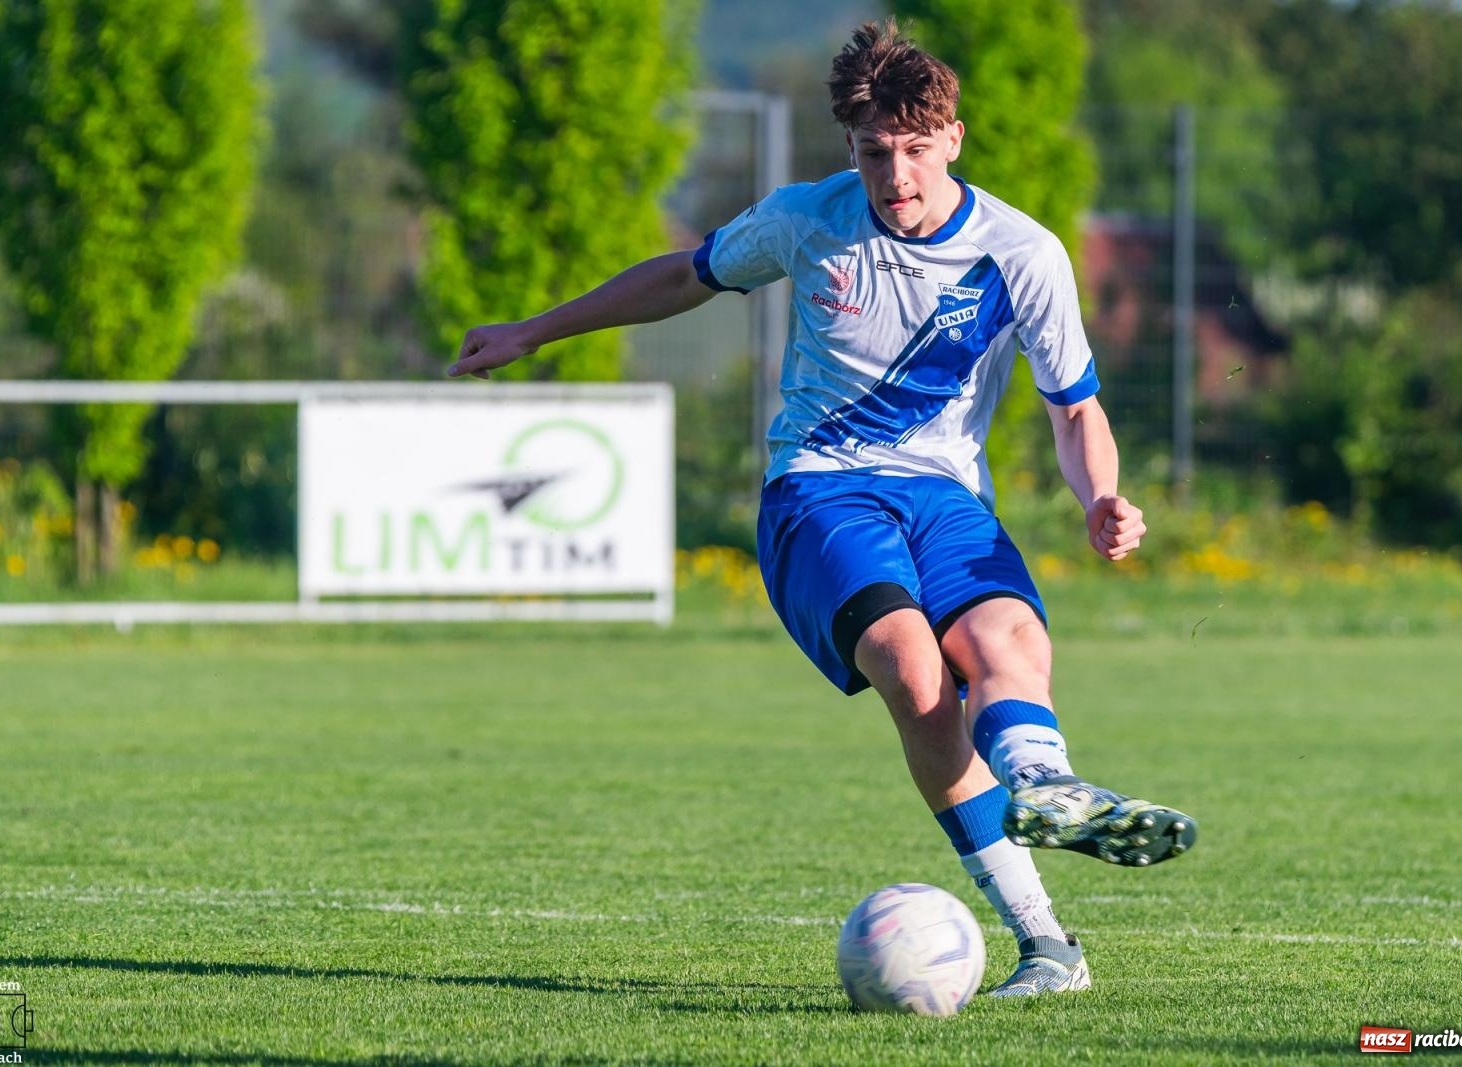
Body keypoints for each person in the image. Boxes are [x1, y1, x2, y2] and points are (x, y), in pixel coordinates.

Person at [448, 18, 1197, 997]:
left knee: (1008, 640)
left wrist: (1100, 494)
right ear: (851, 147)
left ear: (953, 141)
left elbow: (1074, 408)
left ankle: (1046, 793)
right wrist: (534, 331)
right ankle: (1044, 929)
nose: (897, 175)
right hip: (820, 488)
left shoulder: (1022, 252)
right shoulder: (808, 219)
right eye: (875, 152)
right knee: (911, 665)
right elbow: (684, 273)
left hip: (944, 494)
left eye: (916, 151)